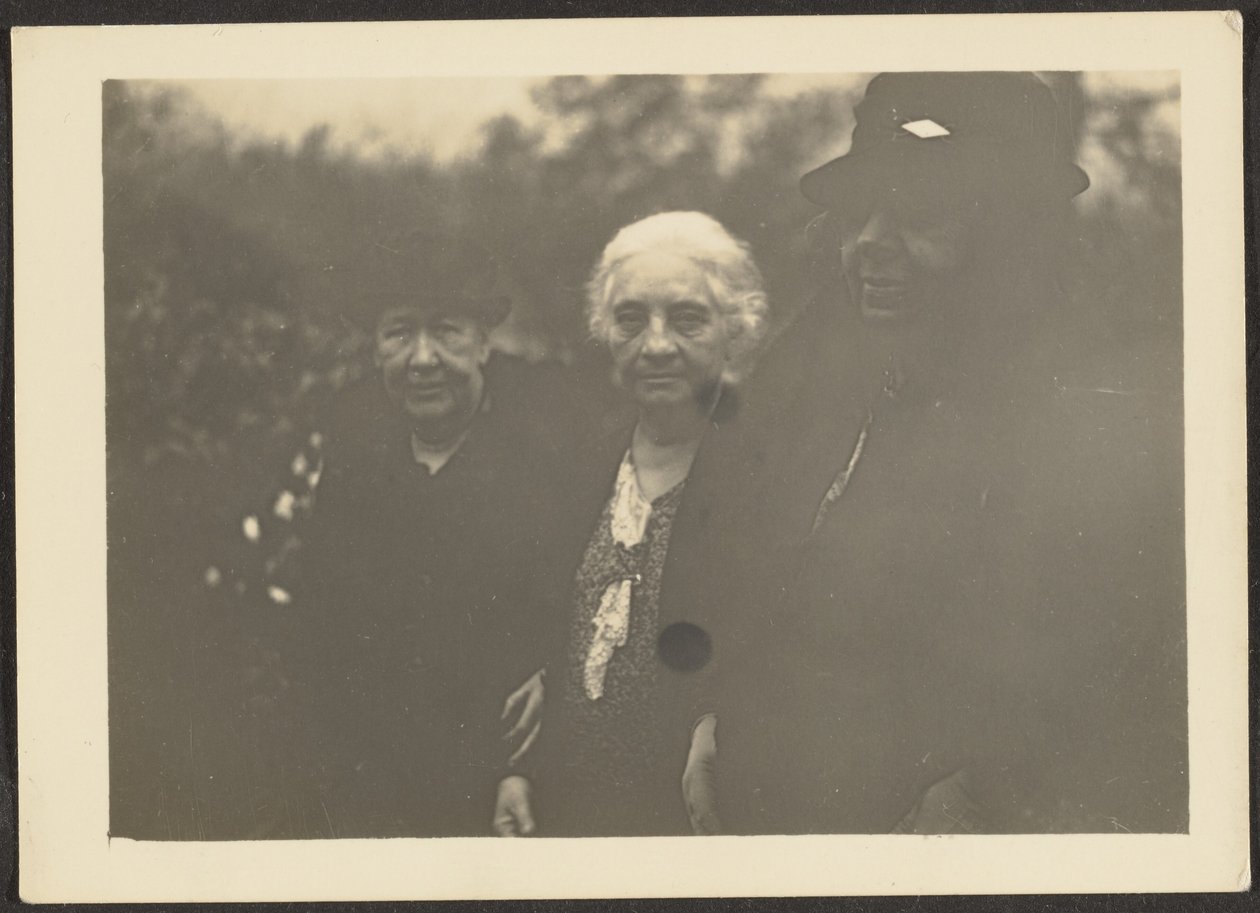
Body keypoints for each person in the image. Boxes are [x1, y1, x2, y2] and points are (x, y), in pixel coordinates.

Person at [689, 72, 1187, 834]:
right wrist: (705, 719)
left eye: (921, 213)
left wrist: (974, 802)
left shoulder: (1090, 411)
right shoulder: (812, 368)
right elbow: (727, 556)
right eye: (858, 213)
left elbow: (1086, 682)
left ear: (1011, 233)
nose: (871, 243)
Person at [270, 228, 584, 838]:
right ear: (376, 349)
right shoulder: (356, 451)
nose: (421, 359)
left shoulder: (547, 455)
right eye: (399, 333)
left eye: (445, 331)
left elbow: (583, 609)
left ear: (484, 343)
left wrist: (550, 696)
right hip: (369, 774)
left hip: (506, 776)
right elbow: (324, 623)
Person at [494, 211, 770, 837]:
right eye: (630, 319)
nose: (656, 345)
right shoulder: (575, 463)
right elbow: (540, 635)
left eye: (687, 319)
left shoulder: (770, 469)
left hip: (697, 821)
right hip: (568, 817)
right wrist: (517, 770)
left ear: (735, 329)